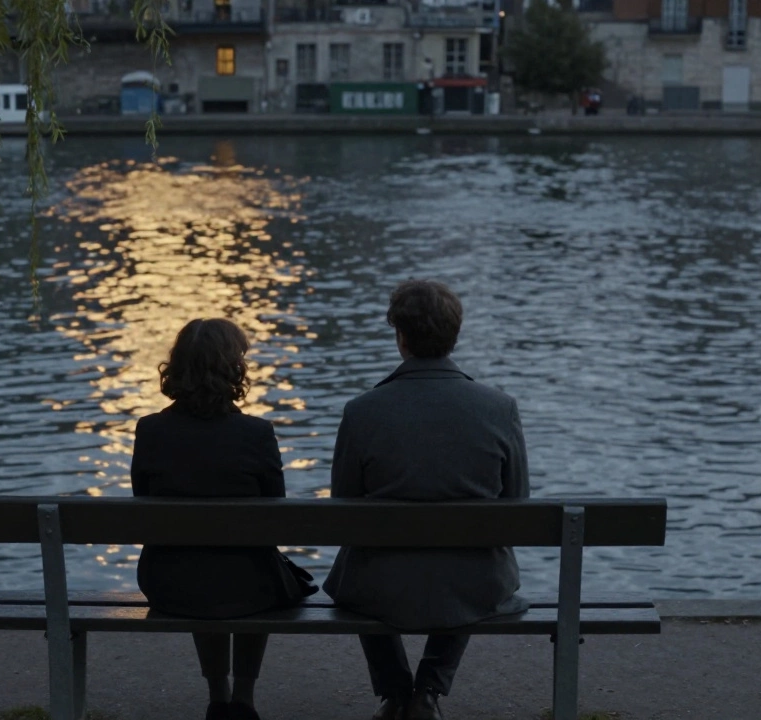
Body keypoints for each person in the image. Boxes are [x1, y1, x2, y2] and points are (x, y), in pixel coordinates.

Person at [323, 280, 530, 720]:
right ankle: (429, 691)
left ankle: (397, 693)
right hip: (474, 585)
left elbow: (343, 509)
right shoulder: (499, 408)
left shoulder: (361, 411)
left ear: (400, 336)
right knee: (471, 567)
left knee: (359, 567)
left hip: (381, 585)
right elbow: (518, 504)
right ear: (455, 336)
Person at [131, 318, 316, 720]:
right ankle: (244, 698)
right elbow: (276, 519)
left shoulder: (150, 431)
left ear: (177, 367)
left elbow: (141, 506)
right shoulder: (257, 433)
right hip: (250, 584)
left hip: (170, 583)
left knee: (200, 563)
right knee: (248, 569)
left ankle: (219, 694)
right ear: (235, 368)